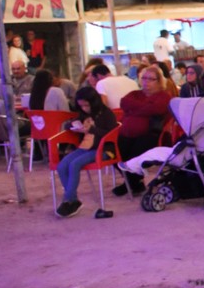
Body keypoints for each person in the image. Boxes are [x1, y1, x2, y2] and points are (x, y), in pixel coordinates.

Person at [54, 87, 117, 218]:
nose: (84, 108)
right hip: (85, 147)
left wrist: (91, 129)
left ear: (94, 102)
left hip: (104, 149)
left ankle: (69, 200)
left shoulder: (107, 114)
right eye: (81, 106)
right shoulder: (84, 113)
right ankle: (73, 200)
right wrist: (74, 125)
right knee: (62, 166)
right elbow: (69, 124)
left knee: (74, 165)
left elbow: (111, 134)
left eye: (86, 105)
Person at [113, 65, 173, 195]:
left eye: (151, 79)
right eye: (144, 78)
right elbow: (124, 103)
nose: (146, 81)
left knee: (134, 154)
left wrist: (134, 110)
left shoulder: (163, 96)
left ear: (159, 81)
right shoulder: (135, 94)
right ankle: (132, 183)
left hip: (151, 134)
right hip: (126, 133)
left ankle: (131, 183)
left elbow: (156, 109)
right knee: (113, 152)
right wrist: (145, 108)